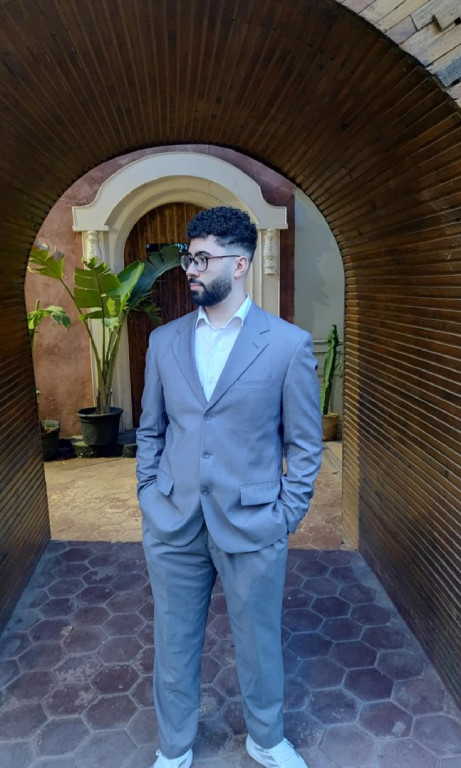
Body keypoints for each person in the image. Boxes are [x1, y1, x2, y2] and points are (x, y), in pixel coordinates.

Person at [136, 206, 322, 768]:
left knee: (260, 643)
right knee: (173, 642)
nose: (190, 270)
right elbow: (151, 429)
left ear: (239, 264)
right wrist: (149, 493)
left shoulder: (287, 345)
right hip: (173, 521)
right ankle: (174, 748)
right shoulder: (164, 341)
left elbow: (305, 444)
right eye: (188, 258)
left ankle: (265, 738)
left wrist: (285, 515)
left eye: (202, 259)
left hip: (253, 523)